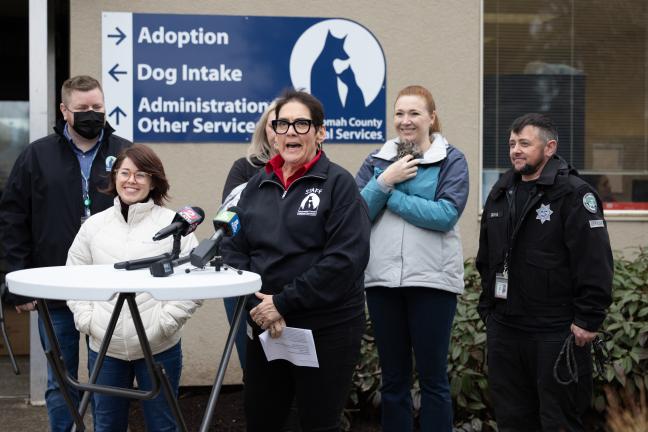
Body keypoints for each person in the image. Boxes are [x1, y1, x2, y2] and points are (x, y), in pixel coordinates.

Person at [221, 89, 371, 432]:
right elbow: (232, 247)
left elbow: (346, 260)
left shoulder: (339, 185)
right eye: (282, 124)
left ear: (320, 133)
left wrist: (283, 303)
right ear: (272, 133)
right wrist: (258, 305)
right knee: (262, 419)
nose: (290, 132)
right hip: (266, 326)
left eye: (301, 124)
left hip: (326, 329)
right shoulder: (255, 185)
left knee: (317, 423)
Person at [0, 75, 131, 431]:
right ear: (64, 110)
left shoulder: (125, 153)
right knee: (61, 380)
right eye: (82, 109)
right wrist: (19, 280)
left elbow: (144, 213)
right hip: (55, 284)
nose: (92, 114)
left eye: (98, 108)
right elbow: (13, 217)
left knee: (109, 381)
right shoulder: (37, 155)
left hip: (111, 289)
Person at [476, 113, 613, 431]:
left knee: (558, 422)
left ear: (549, 147)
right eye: (512, 144)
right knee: (512, 419)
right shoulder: (501, 191)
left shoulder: (574, 194)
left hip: (555, 331)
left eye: (524, 143)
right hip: (506, 330)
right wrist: (489, 311)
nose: (515, 150)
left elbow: (594, 261)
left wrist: (588, 319)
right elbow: (487, 258)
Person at [355, 85, 469, 432]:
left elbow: (445, 214)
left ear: (431, 118)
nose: (406, 121)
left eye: (414, 113)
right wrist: (385, 179)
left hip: (433, 282)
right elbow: (357, 214)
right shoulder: (376, 160)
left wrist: (388, 194)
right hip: (382, 283)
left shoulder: (452, 159)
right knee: (393, 380)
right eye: (400, 113)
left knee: (434, 379)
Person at [66, 144, 201, 431]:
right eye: (124, 173)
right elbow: (73, 277)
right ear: (114, 177)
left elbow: (194, 283)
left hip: (159, 346)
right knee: (106, 425)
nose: (131, 180)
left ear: (153, 181)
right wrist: (87, 320)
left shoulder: (174, 225)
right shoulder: (94, 226)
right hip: (105, 346)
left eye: (140, 174)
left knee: (163, 425)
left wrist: (164, 324)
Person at [221, 101, 277, 369]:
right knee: (253, 367)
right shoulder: (244, 168)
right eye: (274, 124)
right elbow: (232, 224)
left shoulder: (321, 176)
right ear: (264, 129)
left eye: (292, 123)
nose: (282, 131)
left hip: (288, 284)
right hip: (243, 279)